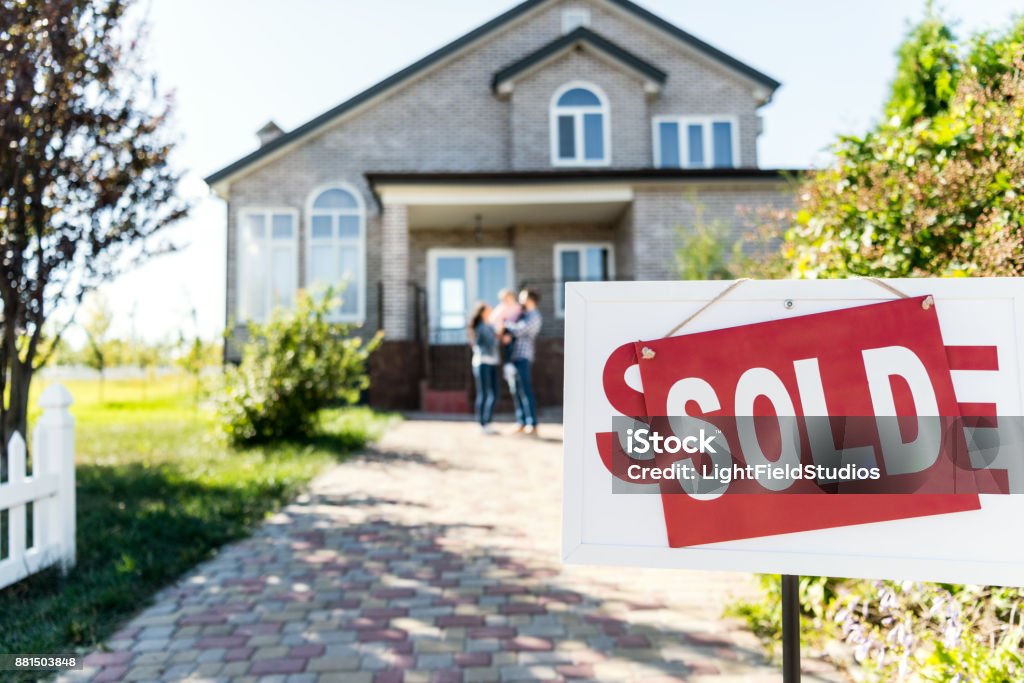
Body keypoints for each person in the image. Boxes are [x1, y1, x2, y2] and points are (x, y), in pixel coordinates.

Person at [501, 289, 542, 435]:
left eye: (522, 298)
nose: (520, 300)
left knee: (525, 389)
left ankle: (532, 423)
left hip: (524, 356)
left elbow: (519, 331)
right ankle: (522, 422)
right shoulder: (523, 315)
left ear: (530, 300)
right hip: (515, 356)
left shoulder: (534, 316)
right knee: (516, 390)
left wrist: (506, 323)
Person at [468, 301, 499, 434]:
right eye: (488, 309)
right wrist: (500, 333)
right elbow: (492, 343)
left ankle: (487, 422)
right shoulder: (481, 327)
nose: (491, 311)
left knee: (494, 393)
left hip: (492, 362)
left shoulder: (489, 326)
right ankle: (482, 424)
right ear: (482, 312)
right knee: (484, 393)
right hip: (482, 363)